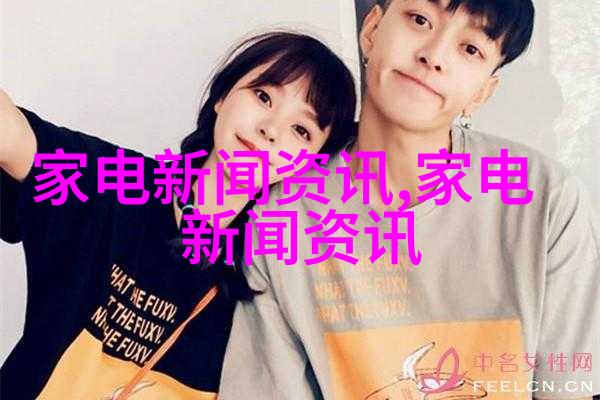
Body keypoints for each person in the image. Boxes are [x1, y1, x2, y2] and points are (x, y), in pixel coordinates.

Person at [219, 1, 599, 399]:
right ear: (372, 30)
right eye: (420, 20)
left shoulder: (548, 202)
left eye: (470, 49)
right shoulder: (281, 214)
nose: (433, 56)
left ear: (483, 92)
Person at [0, 31, 357, 399]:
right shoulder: (117, 185)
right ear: (223, 96)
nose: (271, 129)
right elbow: (12, 135)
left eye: (301, 130)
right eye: (263, 96)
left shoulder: (272, 278)